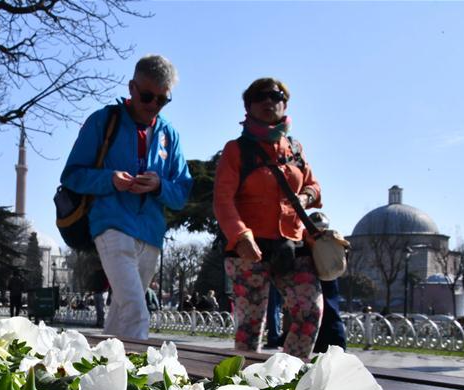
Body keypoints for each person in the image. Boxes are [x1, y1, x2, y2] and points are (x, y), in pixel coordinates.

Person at [61, 55, 193, 340]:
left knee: (121, 313)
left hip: (151, 235)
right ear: (132, 87)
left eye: (162, 100)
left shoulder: (170, 134)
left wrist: (159, 186)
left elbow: (182, 192)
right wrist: (110, 179)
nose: (153, 105)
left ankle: (100, 373)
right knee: (136, 311)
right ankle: (137, 381)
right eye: (147, 96)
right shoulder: (103, 121)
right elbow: (72, 175)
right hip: (111, 225)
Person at [214, 77, 323, 359]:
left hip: (292, 246)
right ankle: (244, 389)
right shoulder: (236, 150)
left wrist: (305, 197)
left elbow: (314, 186)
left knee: (310, 310)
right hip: (249, 249)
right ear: (248, 107)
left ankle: (289, 375)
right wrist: (239, 236)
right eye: (259, 97)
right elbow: (223, 199)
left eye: (275, 96)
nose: (268, 102)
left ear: (285, 104)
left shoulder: (295, 149)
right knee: (250, 328)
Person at [310, 212, 347, 352]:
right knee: (331, 311)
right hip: (330, 277)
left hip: (317, 277)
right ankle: (336, 345)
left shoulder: (314, 239)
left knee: (324, 312)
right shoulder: (333, 237)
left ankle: (327, 345)